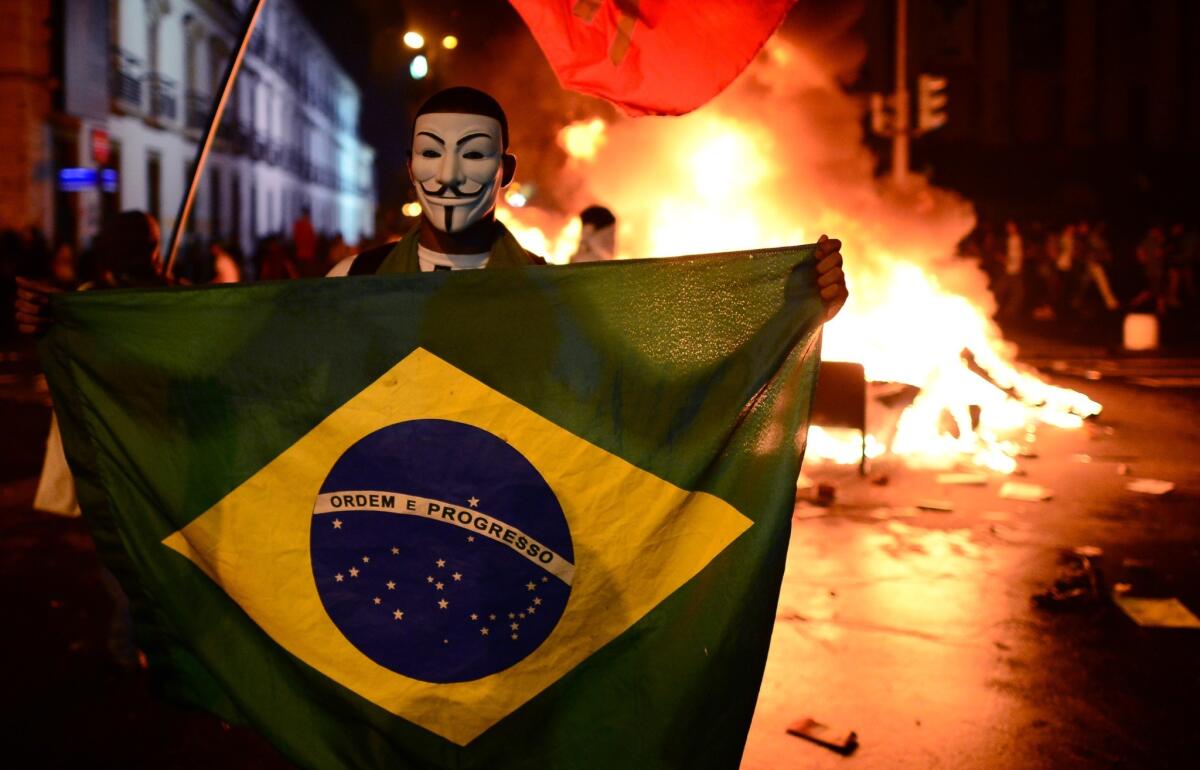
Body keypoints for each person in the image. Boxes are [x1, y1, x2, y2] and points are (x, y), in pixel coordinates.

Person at [330, 87, 849, 320]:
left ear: (504, 172)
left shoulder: (555, 299)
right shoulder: (352, 282)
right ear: (410, 167)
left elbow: (661, 380)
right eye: (431, 154)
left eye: (472, 154)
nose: (448, 175)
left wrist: (794, 310)